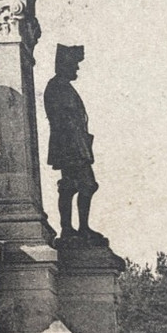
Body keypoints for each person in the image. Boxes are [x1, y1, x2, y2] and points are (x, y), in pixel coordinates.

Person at [44, 44, 107, 246]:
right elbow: (59, 118)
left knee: (77, 185)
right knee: (80, 185)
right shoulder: (56, 86)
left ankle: (76, 228)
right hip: (68, 146)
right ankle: (72, 228)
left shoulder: (63, 86)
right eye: (74, 65)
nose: (76, 69)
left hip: (75, 144)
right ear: (64, 65)